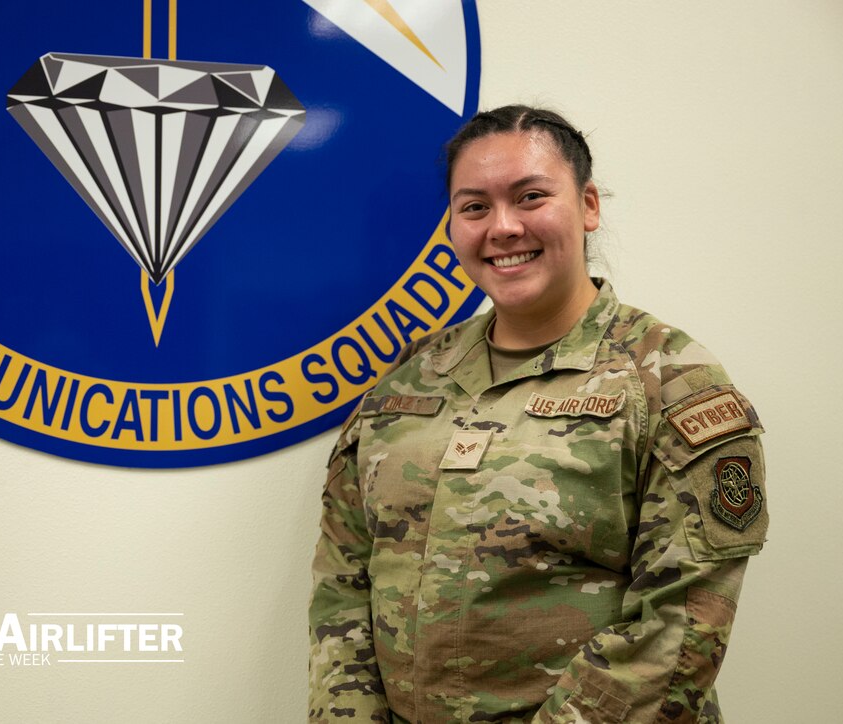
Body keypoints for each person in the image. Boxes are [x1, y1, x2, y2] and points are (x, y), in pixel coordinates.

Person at [308, 105, 768, 723]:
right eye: (474, 207)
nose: (501, 227)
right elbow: (344, 580)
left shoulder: (669, 380)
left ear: (588, 207)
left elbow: (683, 624)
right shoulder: (408, 380)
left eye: (530, 197)